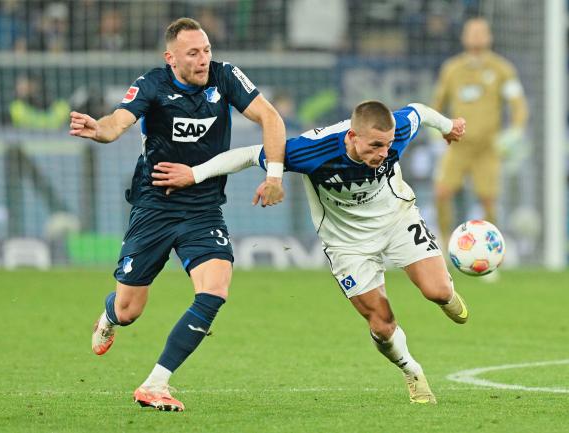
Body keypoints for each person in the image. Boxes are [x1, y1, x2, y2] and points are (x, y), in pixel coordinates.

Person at [151, 100, 468, 404]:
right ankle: (411, 370)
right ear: (352, 136)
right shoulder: (312, 150)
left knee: (438, 292)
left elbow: (419, 111)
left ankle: (449, 294)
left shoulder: (395, 129)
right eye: (375, 147)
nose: (383, 154)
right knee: (382, 325)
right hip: (347, 245)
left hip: (398, 221)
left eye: (387, 146)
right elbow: (249, 155)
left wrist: (448, 126)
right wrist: (194, 174)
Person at [69, 17, 286, 412]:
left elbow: (270, 117)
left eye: (206, 50)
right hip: (155, 205)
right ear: (171, 58)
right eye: (193, 53)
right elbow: (117, 123)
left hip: (203, 208)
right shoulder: (152, 84)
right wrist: (97, 130)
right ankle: (110, 314)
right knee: (130, 310)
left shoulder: (225, 77)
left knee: (215, 289)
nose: (203, 59)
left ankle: (156, 383)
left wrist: (274, 174)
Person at [432, 17, 528, 250]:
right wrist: (438, 130)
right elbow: (437, 103)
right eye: (471, 32)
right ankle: (445, 247)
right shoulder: (452, 69)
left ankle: (490, 252)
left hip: (487, 147)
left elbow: (518, 106)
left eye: (480, 32)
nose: (476, 37)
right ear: (463, 37)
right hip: (458, 145)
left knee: (489, 201)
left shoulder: (501, 69)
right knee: (442, 193)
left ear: (489, 37)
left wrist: (515, 131)